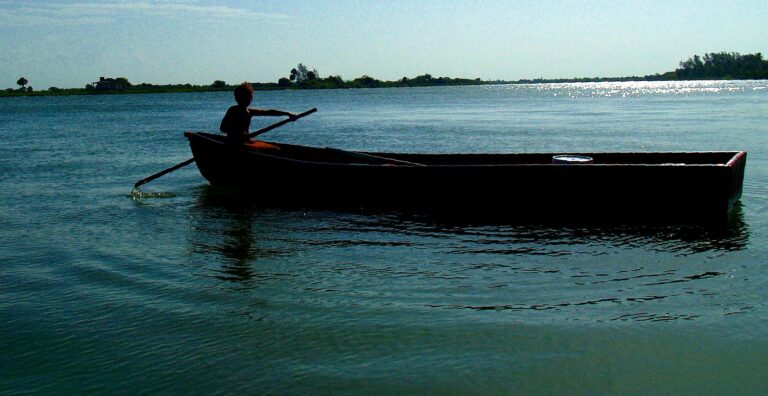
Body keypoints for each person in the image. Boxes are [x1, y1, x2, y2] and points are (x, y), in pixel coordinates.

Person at [220, 82, 297, 145]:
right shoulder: (232, 110)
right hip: (233, 143)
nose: (247, 100)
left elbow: (269, 112)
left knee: (275, 150)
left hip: (245, 142)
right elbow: (223, 128)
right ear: (237, 98)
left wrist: (288, 114)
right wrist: (239, 133)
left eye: (249, 97)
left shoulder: (249, 111)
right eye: (244, 97)